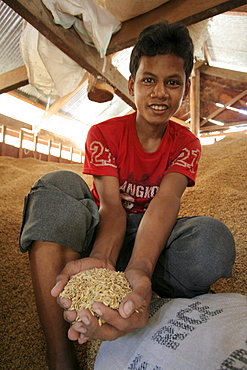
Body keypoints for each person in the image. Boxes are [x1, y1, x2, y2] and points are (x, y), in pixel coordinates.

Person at [19, 21, 235, 370]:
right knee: (57, 184)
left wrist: (140, 268)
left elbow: (165, 203)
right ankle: (59, 351)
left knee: (212, 241)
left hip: (149, 239)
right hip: (99, 232)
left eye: (172, 82)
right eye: (149, 80)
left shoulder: (187, 143)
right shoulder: (103, 133)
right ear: (132, 84)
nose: (160, 93)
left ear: (184, 87)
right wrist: (104, 258)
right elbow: (111, 207)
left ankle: (134, 284)